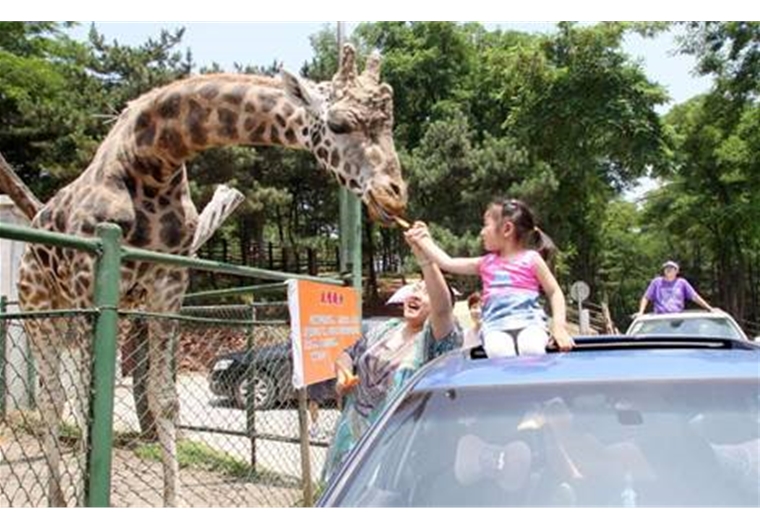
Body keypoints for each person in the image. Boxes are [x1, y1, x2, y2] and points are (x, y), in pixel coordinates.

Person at [321, 226, 463, 481]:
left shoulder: (436, 340)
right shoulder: (384, 329)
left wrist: (425, 259)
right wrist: (342, 374)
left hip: (397, 448)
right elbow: (347, 353)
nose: (415, 293)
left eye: (424, 290)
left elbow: (442, 310)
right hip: (351, 440)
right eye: (414, 289)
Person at [407, 198, 573, 358]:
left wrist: (559, 328)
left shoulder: (532, 259)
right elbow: (447, 262)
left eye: (486, 225)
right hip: (495, 328)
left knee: (532, 347)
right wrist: (424, 241)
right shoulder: (485, 263)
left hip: (530, 324)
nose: (481, 232)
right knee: (498, 352)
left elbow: (554, 292)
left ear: (507, 229)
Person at [637, 260, 715, 317]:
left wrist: (709, 308)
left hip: (677, 317)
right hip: (659, 317)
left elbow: (694, 297)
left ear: (676, 271)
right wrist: (641, 312)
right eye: (666, 268)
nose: (668, 269)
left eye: (671, 268)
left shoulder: (682, 282)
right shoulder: (656, 282)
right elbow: (646, 297)